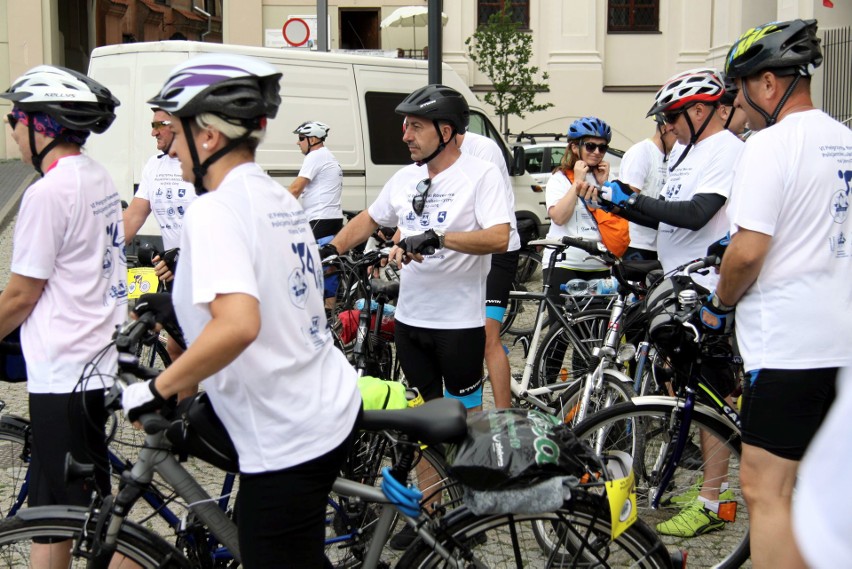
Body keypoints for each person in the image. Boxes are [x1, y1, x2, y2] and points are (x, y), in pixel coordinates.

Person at [121, 53, 361, 568]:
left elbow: (239, 324)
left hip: (287, 432)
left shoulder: (215, 209)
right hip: (321, 405)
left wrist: (156, 389)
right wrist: (178, 308)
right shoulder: (272, 195)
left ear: (208, 136)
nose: (172, 148)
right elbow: (269, 295)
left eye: (177, 131)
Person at [705, 19, 852, 567]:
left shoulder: (768, 147)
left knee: (767, 490)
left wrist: (719, 305)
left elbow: (746, 251)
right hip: (842, 343)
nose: (737, 103)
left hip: (788, 346)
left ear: (769, 84)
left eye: (741, 88)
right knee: (824, 488)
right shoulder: (846, 140)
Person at [595, 67, 743, 538]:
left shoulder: (725, 150)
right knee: (694, 392)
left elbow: (697, 214)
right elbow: (668, 217)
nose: (668, 126)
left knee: (714, 396)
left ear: (700, 110)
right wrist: (621, 206)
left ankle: (712, 500)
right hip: (679, 281)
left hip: (709, 286)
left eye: (674, 116)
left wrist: (631, 202)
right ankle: (709, 490)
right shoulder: (688, 150)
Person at [0, 65, 124, 567]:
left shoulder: (47, 194)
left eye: (16, 117)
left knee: (90, 518)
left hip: (65, 373)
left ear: (42, 126)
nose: (11, 127)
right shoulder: (96, 176)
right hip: (94, 359)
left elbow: (20, 296)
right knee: (57, 512)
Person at [326, 83, 510, 411]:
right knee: (423, 421)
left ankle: (465, 465)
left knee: (463, 418)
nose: (406, 136)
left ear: (446, 131)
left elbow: (499, 237)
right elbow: (369, 218)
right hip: (410, 322)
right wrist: (331, 249)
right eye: (406, 126)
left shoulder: (481, 175)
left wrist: (438, 237)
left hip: (458, 325)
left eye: (416, 127)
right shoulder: (405, 178)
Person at [123, 106, 198, 364]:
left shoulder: (202, 163)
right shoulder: (154, 166)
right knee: (178, 351)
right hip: (173, 271)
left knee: (211, 352)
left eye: (158, 125)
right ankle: (182, 405)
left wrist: (186, 255)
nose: (153, 132)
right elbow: (133, 216)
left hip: (205, 270)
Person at [457, 128, 521, 409]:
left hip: (498, 249)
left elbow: (492, 214)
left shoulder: (483, 149)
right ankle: (472, 416)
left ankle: (505, 419)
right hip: (465, 251)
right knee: (463, 337)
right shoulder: (432, 154)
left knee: (488, 338)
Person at [542, 117, 613, 301]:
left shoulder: (605, 180)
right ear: (575, 147)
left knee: (597, 328)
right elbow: (558, 217)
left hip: (599, 264)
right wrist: (577, 183)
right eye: (590, 146)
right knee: (563, 328)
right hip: (564, 263)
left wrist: (606, 185)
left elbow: (616, 220)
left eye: (602, 147)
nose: (597, 152)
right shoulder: (560, 179)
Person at [617, 114, 675, 261]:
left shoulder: (673, 156)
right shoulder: (641, 152)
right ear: (664, 129)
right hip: (637, 243)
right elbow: (627, 199)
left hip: (661, 244)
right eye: (676, 132)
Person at [289, 121, 344, 240]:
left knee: (301, 254)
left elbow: (295, 189)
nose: (298, 142)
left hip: (320, 218)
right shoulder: (327, 155)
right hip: (330, 219)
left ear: (312, 140)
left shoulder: (315, 156)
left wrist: (273, 206)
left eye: (301, 138)